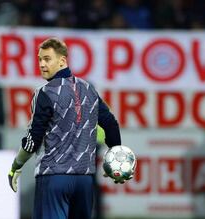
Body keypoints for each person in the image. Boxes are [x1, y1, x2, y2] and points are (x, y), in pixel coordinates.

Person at [8, 37, 127, 219]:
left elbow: (34, 140)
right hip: (84, 181)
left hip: (54, 177)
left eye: (47, 59)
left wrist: (17, 165)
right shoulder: (89, 89)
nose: (41, 64)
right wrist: (117, 160)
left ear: (62, 61)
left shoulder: (45, 93)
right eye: (39, 59)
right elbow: (111, 124)